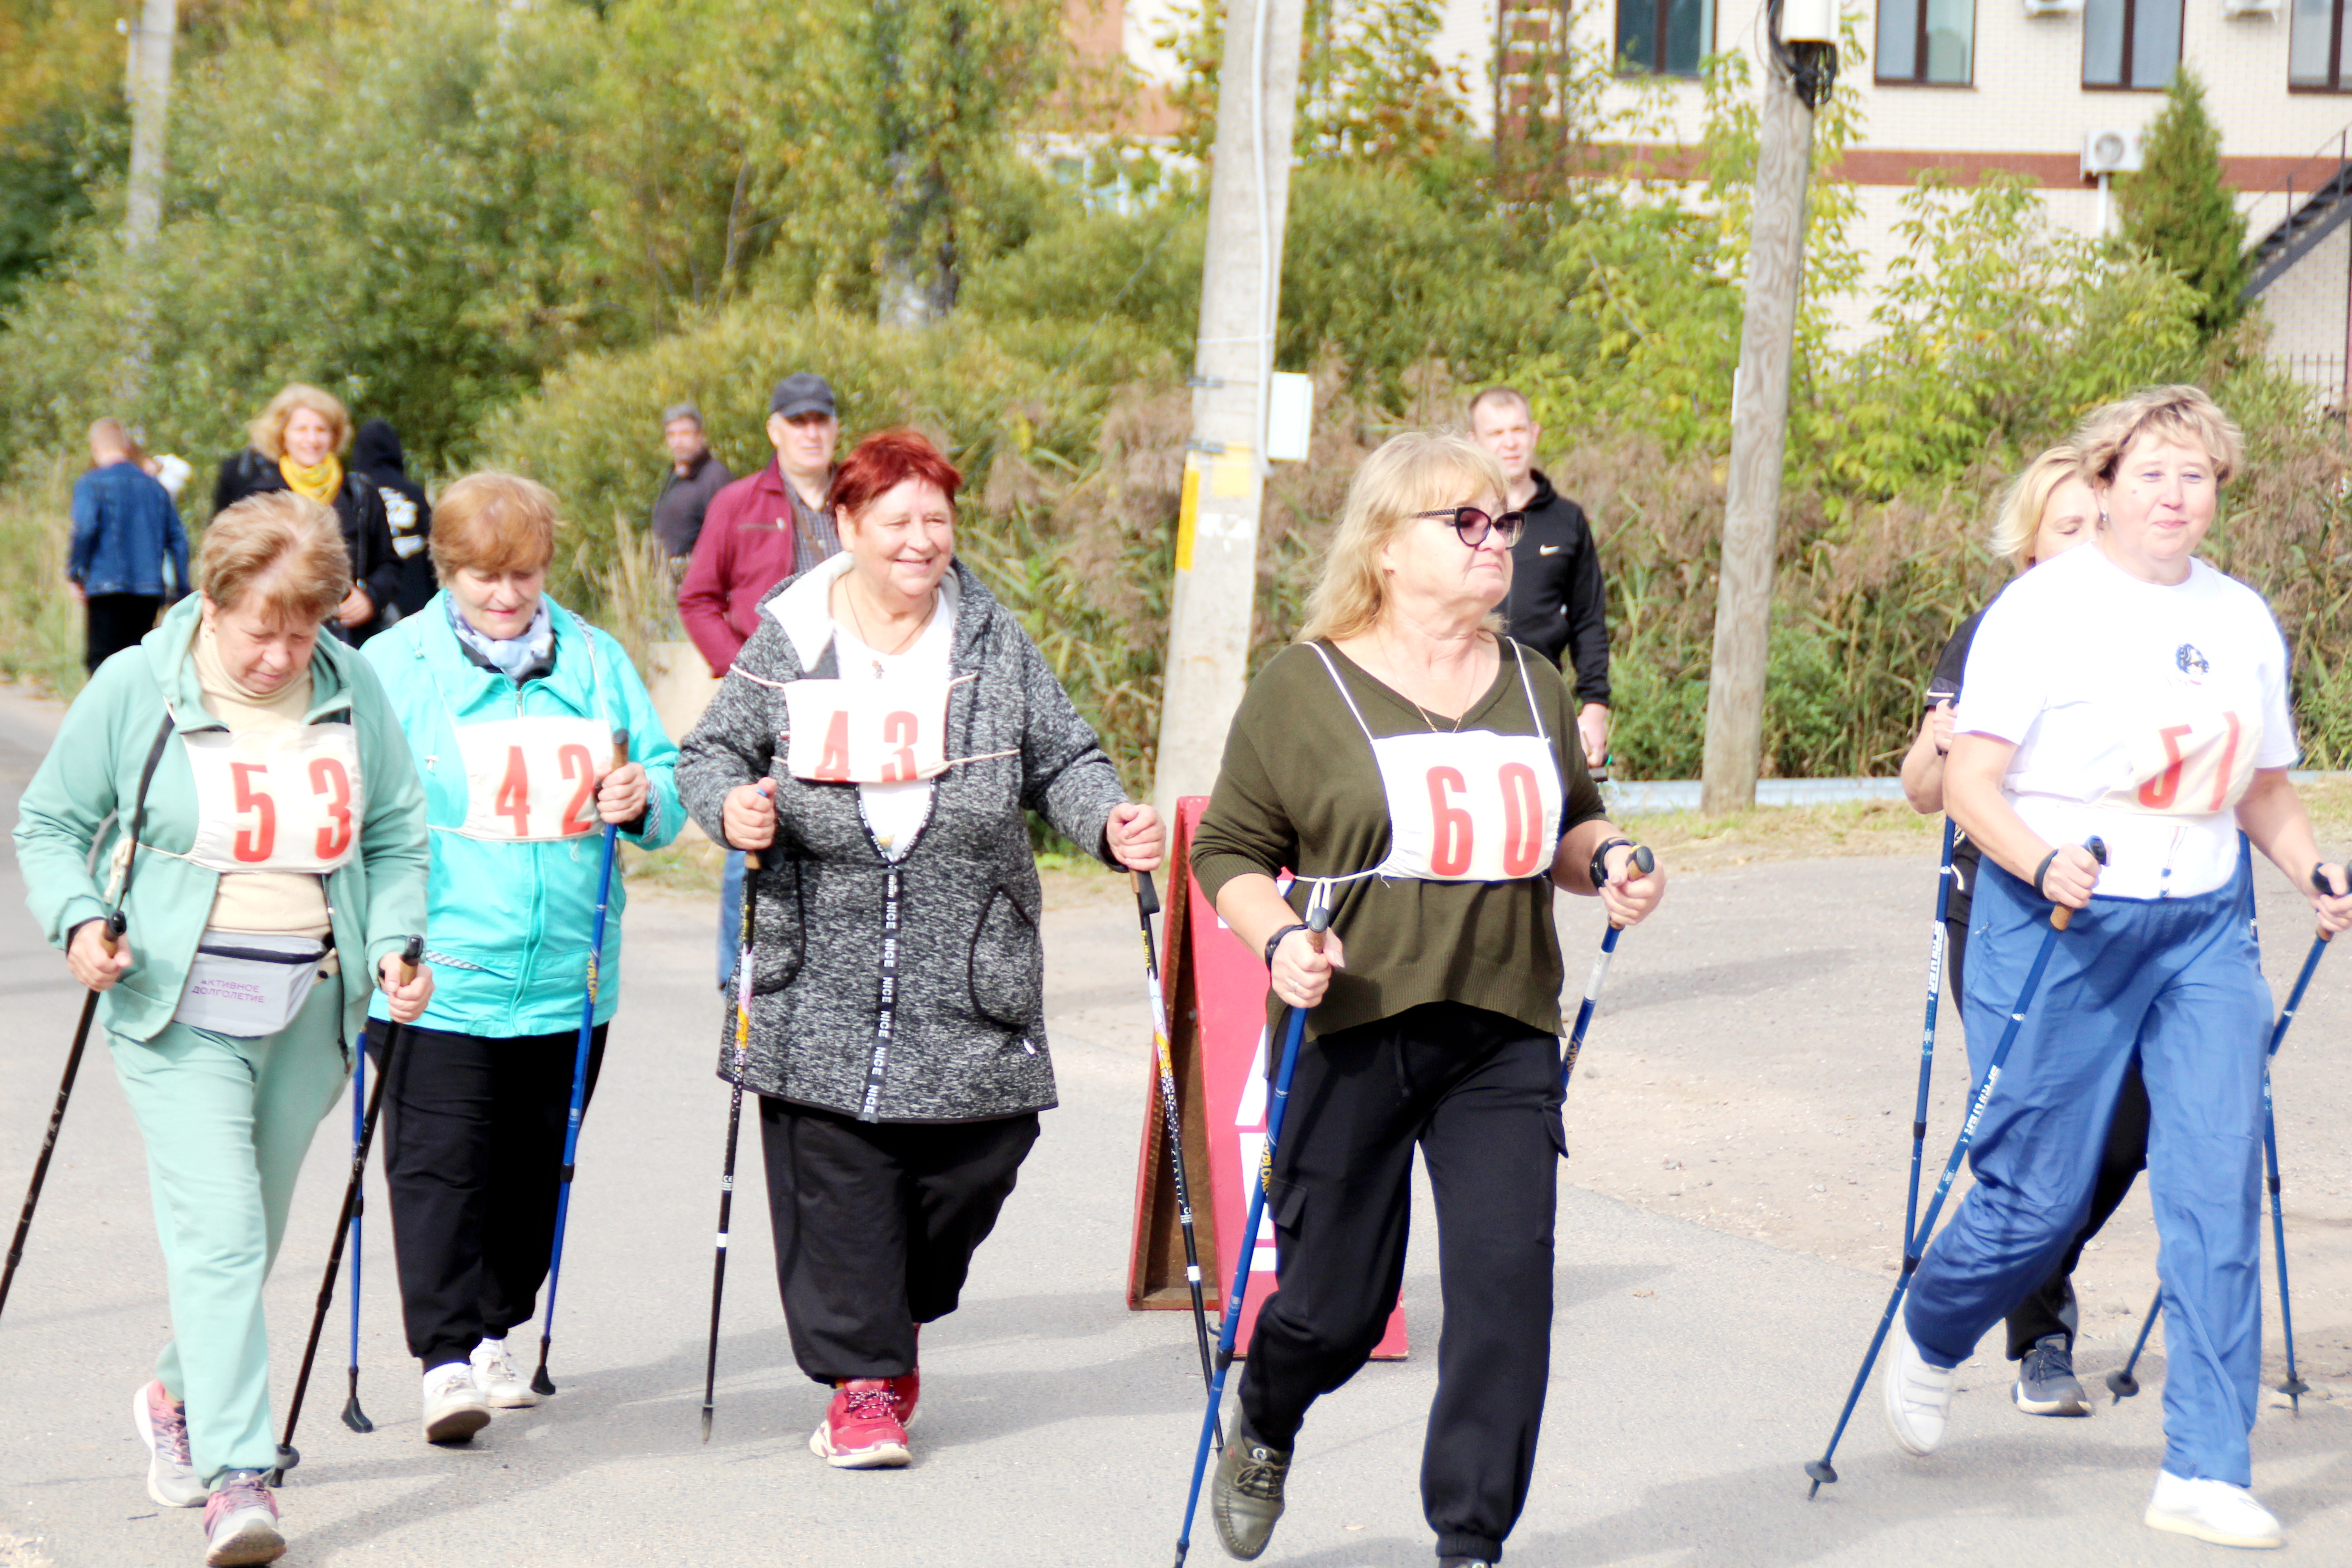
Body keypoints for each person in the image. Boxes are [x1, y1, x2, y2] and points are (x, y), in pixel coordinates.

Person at [1188, 431, 1666, 1567]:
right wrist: (1281, 938)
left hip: (1500, 1026)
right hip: (1351, 1023)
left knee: (1506, 1288)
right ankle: (1266, 1408)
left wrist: (1609, 861)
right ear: (1386, 547)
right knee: (1338, 1307)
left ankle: (1469, 1537)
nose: (1493, 541)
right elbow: (1228, 853)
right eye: (1463, 523)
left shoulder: (1531, 681)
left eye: (1499, 522)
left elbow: (1564, 827)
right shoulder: (1302, 686)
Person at [1887, 386, 2352, 1551]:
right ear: (2098, 486)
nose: (2171, 495)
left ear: (2216, 494)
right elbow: (1967, 786)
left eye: (2193, 476)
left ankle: (2202, 1463)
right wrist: (2043, 861)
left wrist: (2310, 869)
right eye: (2148, 472)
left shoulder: (2240, 615)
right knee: (2036, 1196)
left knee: (2210, 1190)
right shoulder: (2040, 610)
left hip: (2200, 927)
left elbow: (2255, 783)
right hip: (2057, 920)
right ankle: (1934, 1327)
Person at [676, 427, 1163, 1471]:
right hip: (819, 958)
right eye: (895, 520)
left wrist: (1108, 821)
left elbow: (1064, 757)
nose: (919, 539)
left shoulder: (990, 636)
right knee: (838, 1168)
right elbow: (711, 752)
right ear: (845, 525)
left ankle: (891, 1317)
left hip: (968, 961)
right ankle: (860, 1384)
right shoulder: (792, 637)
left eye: (935, 518)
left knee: (980, 1155)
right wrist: (731, 807)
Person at [14, 491, 432, 1568]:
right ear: (212, 600)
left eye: (305, 629)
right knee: (225, 1233)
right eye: (261, 629)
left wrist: (396, 937)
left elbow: (392, 830)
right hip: (173, 1006)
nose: (281, 653)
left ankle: (173, 1391)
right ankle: (239, 1474)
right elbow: (52, 821)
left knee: (252, 1235)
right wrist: (75, 920)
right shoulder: (135, 689)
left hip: (310, 1005)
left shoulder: (351, 689)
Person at [360, 471, 681, 1443]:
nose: (506, 597)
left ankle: (496, 1325)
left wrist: (642, 796)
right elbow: (353, 806)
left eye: (525, 577)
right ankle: (446, 1359)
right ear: (445, 569)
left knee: (536, 1174)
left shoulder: (593, 657)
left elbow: (663, 777)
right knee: (440, 1167)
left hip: (567, 979)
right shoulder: (392, 667)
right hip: (440, 970)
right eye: (482, 578)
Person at [1898, 446, 2130, 1419]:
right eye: (2066, 528)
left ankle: (2026, 1260)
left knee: (2128, 1127)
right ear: (2029, 543)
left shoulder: (2148, 634)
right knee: (2035, 1122)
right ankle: (2041, 1335)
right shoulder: (1993, 633)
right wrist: (1943, 745)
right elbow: (1919, 791)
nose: (2086, 546)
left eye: (2099, 526)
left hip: (2129, 916)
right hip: (2000, 909)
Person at [680, 372, 843, 987]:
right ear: (774, 430)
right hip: (769, 703)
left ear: (835, 427)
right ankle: (740, 976)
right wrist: (741, 672)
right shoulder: (737, 503)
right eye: (797, 421)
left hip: (852, 699)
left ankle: (832, 974)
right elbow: (697, 599)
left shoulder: (862, 496)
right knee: (751, 828)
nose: (810, 432)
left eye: (820, 420)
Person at [1467, 387, 1611, 770]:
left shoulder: (1568, 520)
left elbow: (1589, 620)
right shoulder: (1458, 523)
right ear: (1473, 442)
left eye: (1517, 430)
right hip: (1464, 695)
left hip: (1540, 697)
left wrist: (1595, 709)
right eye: (1495, 434)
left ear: (1535, 433)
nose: (1509, 443)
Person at [213, 384, 401, 646]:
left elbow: (389, 564)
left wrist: (371, 598)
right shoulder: (262, 496)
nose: (312, 440)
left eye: (321, 430)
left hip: (353, 640)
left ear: (335, 437)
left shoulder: (361, 494)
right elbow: (237, 569)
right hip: (284, 637)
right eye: (301, 430)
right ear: (283, 436)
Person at [71, 418, 191, 672]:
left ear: (95, 446)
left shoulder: (91, 483)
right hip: (148, 591)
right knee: (137, 663)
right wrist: (181, 589)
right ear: (127, 447)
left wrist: (76, 573)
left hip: (105, 588)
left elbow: (85, 530)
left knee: (102, 662)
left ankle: (106, 712)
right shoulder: (156, 488)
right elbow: (178, 540)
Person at [351, 418, 437, 619]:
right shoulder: (413, 493)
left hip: (367, 603)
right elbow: (434, 547)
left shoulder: (356, 493)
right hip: (417, 598)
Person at [650, 403, 733, 563]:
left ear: (700, 435)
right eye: (672, 435)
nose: (678, 441)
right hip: (667, 581)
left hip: (698, 580)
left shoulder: (715, 476)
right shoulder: (674, 476)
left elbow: (727, 540)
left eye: (685, 433)